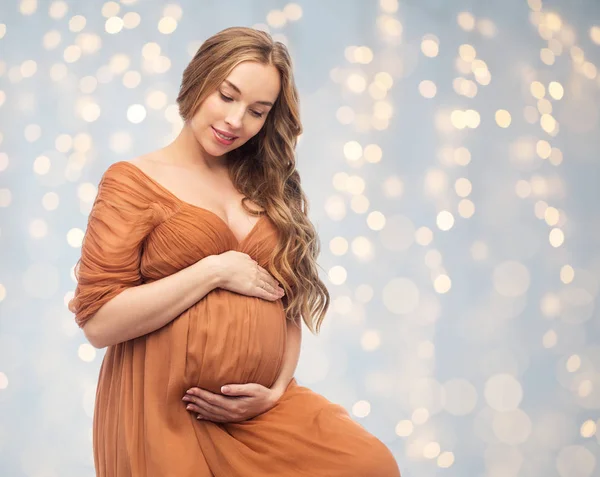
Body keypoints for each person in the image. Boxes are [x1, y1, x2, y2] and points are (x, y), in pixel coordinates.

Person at [69, 26, 401, 477]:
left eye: (257, 111)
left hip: (260, 412)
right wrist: (213, 271)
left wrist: (277, 388)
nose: (235, 121)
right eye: (226, 96)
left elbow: (287, 305)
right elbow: (99, 323)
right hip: (161, 408)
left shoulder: (267, 187)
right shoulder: (131, 181)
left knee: (370, 466)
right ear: (199, 81)